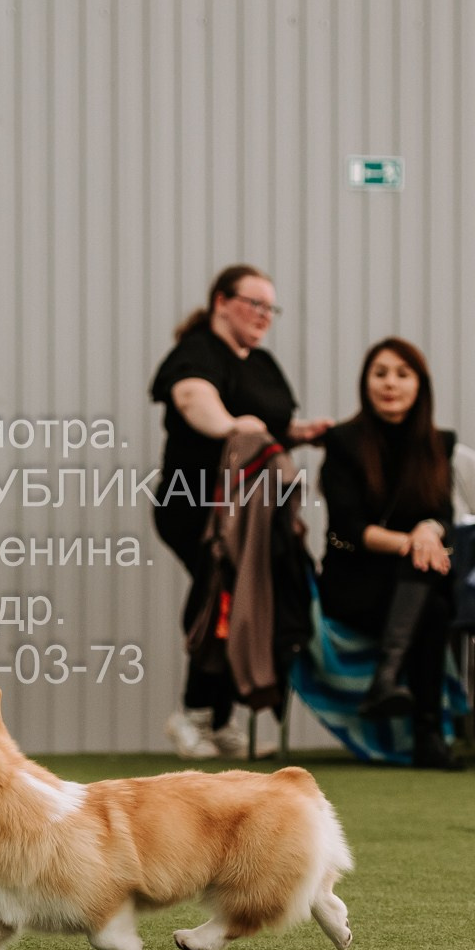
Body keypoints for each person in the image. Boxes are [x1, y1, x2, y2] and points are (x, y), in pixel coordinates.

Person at [150, 265, 331, 758]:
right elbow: (194, 400)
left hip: (252, 509)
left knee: (250, 598)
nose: (264, 316)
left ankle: (222, 719)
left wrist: (302, 433)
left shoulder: (263, 364)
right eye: (255, 304)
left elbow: (273, 425)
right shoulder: (196, 354)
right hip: (196, 507)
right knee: (221, 590)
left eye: (271, 307)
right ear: (221, 302)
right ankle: (192, 717)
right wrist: (232, 425)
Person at [316, 338, 461, 770]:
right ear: (366, 383)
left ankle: (387, 681)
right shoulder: (342, 441)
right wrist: (412, 541)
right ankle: (428, 735)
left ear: (420, 385)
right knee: (429, 589)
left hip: (411, 581)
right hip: (353, 580)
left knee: (431, 603)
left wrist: (429, 530)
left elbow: (443, 515)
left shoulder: (440, 443)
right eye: (379, 373)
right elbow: (349, 526)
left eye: (402, 373)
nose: (390, 383)